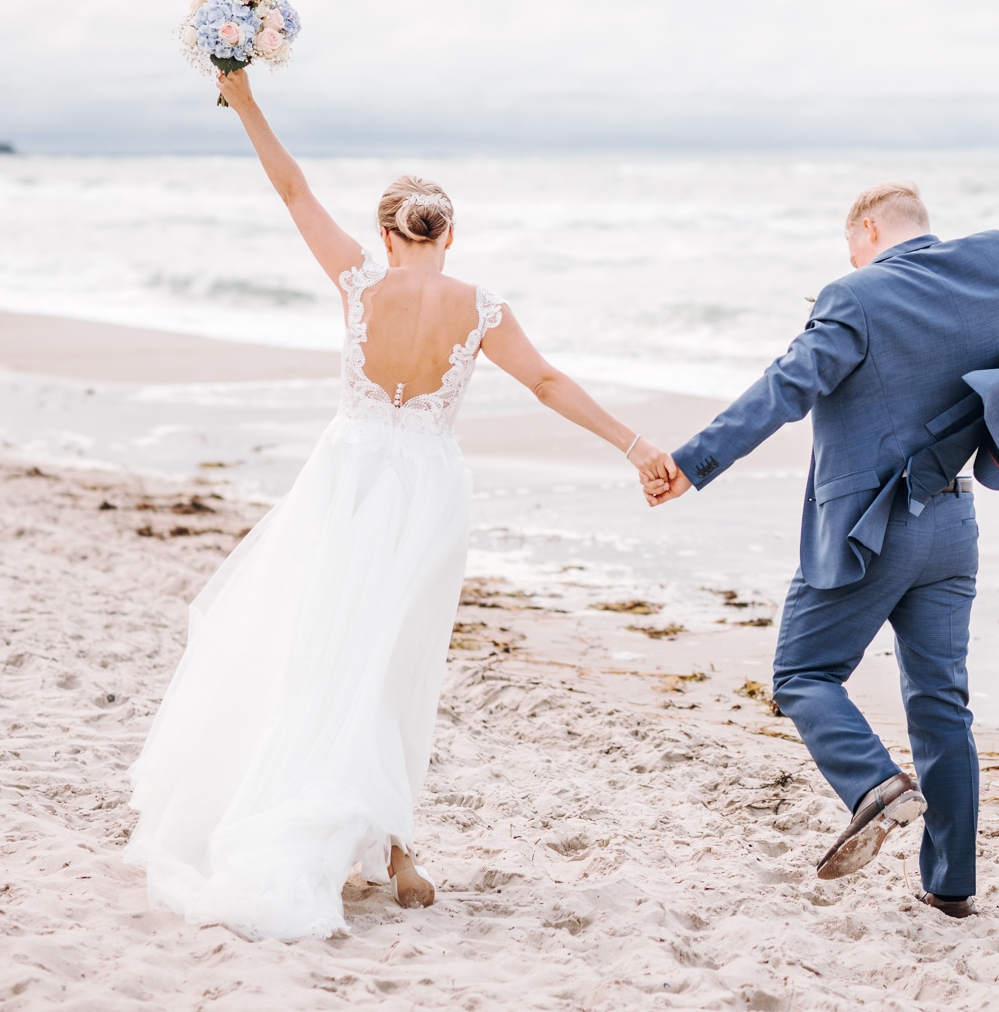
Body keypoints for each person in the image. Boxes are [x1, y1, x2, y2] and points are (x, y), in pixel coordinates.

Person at [126, 67, 673, 941]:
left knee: (319, 648)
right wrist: (639, 446)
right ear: (449, 230)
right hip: (425, 491)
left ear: (387, 232)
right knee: (396, 664)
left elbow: (292, 185)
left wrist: (242, 94)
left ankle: (324, 821)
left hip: (345, 481)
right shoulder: (480, 306)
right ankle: (396, 852)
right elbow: (546, 380)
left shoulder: (357, 281)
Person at [642, 82, 999, 917]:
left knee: (804, 672)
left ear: (867, 234)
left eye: (852, 249)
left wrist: (691, 462)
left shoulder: (853, 296)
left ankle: (875, 786)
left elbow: (782, 392)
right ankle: (951, 884)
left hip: (865, 532)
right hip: (952, 527)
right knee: (941, 702)